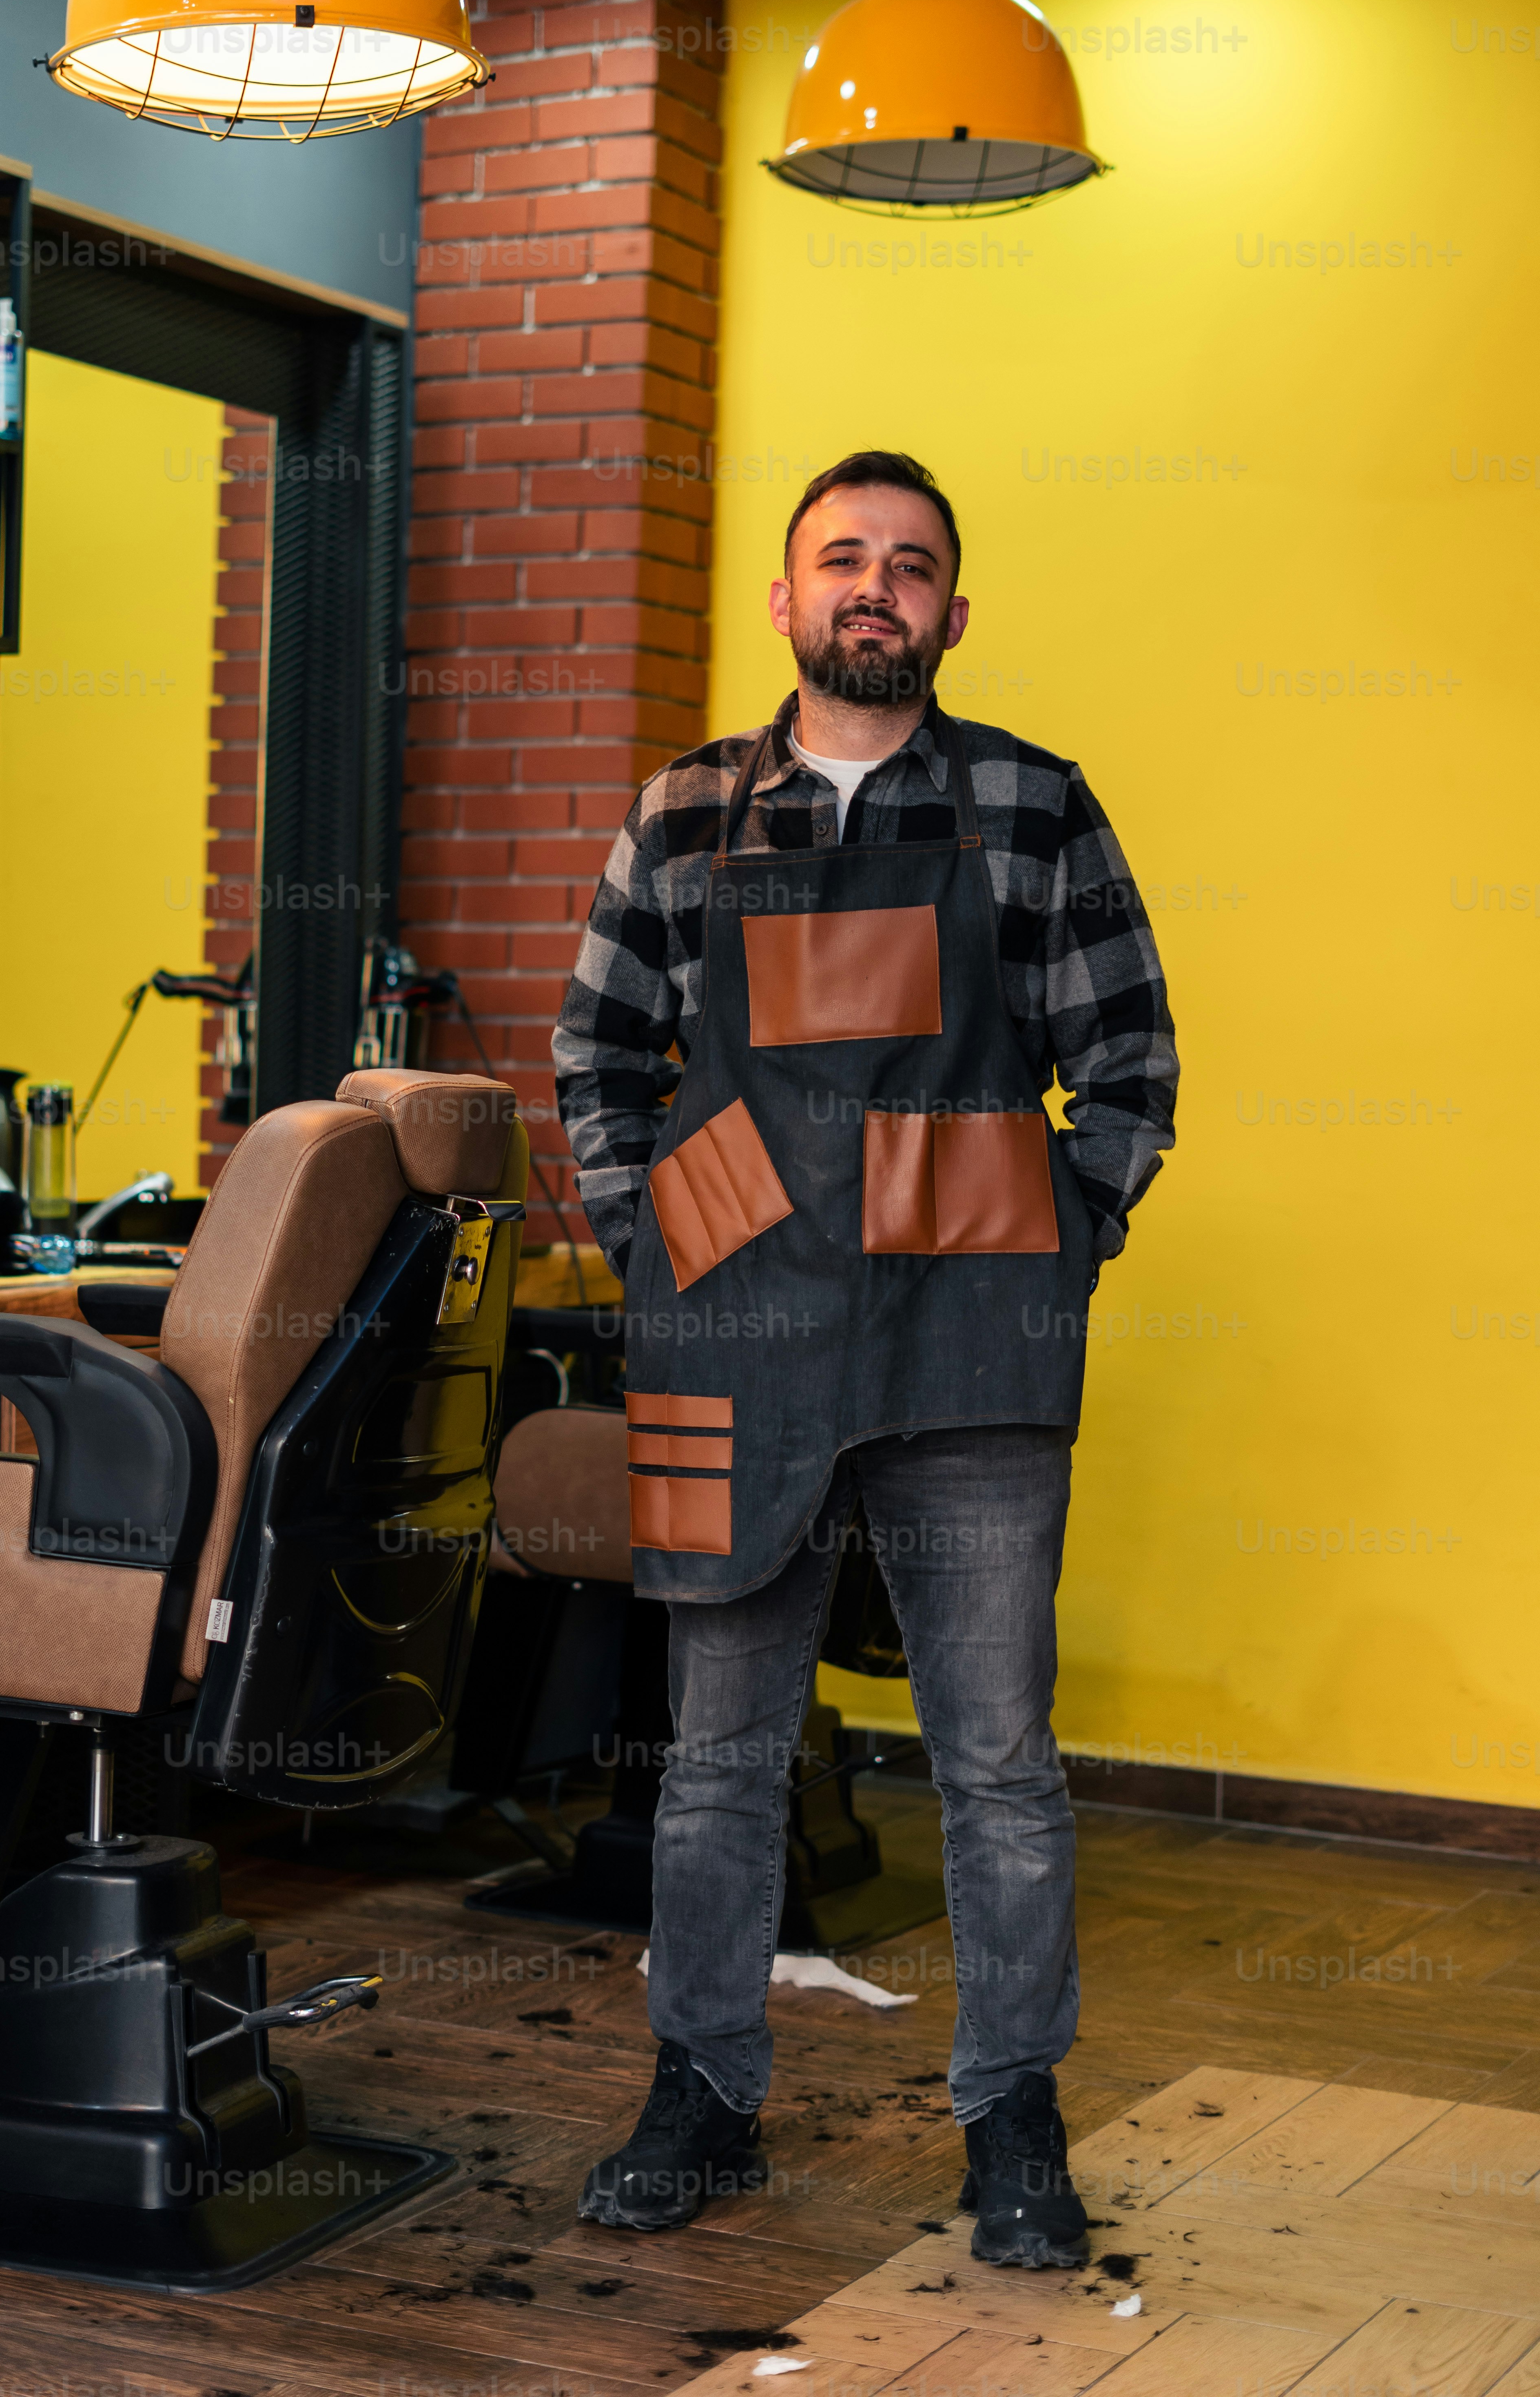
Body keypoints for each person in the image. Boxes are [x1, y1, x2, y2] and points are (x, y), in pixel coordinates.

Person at [552, 449, 1178, 2267]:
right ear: (784, 600)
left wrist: (1055, 1244)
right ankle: (703, 2093)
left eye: (910, 567)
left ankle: (1013, 2119)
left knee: (996, 1763)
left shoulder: (1030, 804)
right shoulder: (681, 816)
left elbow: (1127, 1064)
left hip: (973, 1346)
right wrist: (664, 1240)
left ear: (952, 613)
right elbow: (599, 1065)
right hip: (733, 1345)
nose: (873, 589)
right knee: (717, 1761)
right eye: (842, 559)